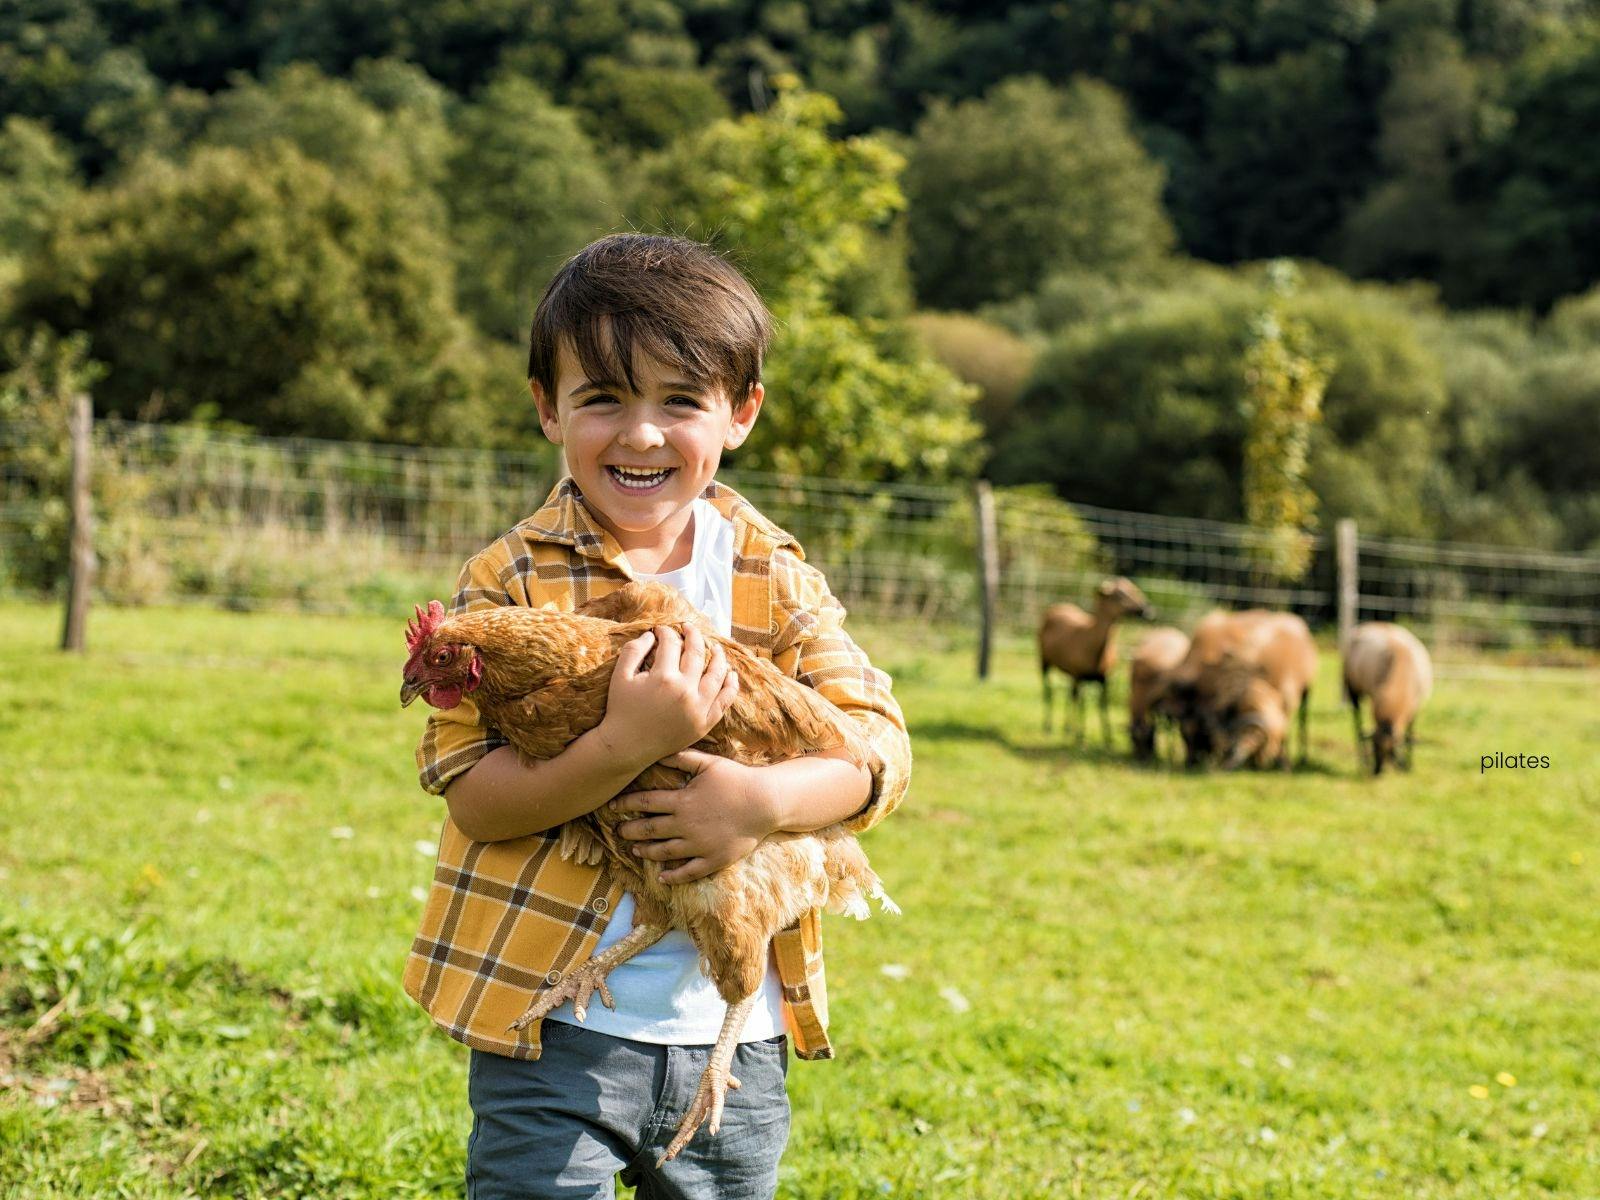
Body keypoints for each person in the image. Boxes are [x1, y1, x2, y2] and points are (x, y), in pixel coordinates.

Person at [404, 233, 912, 1199]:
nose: (641, 435)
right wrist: (625, 743)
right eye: (602, 398)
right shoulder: (507, 579)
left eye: (679, 402)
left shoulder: (775, 576)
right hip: (550, 1022)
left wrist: (757, 804)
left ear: (741, 414)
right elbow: (478, 801)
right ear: (548, 409)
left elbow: (876, 752)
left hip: (738, 1030)